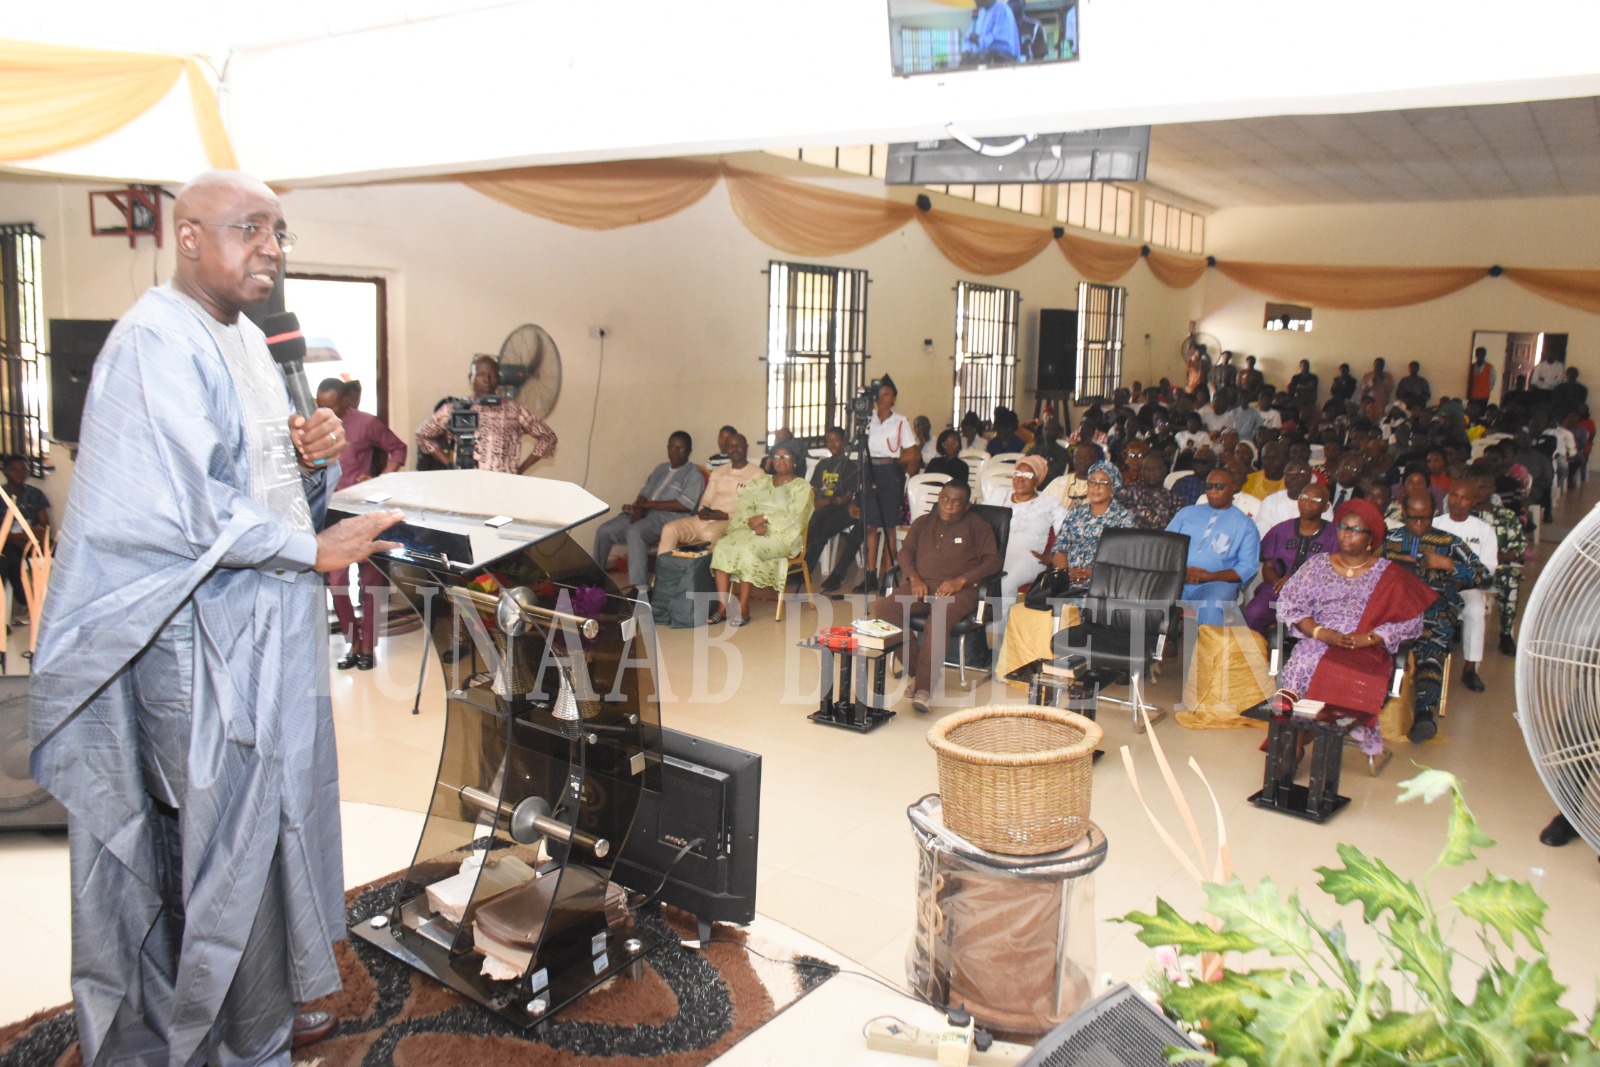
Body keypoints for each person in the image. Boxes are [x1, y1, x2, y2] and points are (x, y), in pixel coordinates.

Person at [29, 170, 405, 1066]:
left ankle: (266, 999)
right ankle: (227, 1032)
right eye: (250, 229)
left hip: (268, 628)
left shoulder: (246, 344)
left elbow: (267, 490)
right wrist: (316, 549)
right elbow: (178, 508)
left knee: (274, 821)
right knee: (220, 842)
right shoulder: (156, 341)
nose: (272, 248)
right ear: (188, 236)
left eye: (279, 232)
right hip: (201, 647)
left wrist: (313, 460)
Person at [1270, 500, 1436, 747]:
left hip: (1366, 648)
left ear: (1372, 538)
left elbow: (1410, 619)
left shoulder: (1388, 573)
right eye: (1343, 527)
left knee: (1347, 671)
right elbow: (1290, 604)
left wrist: (1369, 638)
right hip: (1320, 640)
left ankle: (1306, 733)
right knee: (1306, 659)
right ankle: (1297, 728)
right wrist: (1320, 632)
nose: (1347, 534)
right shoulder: (1317, 565)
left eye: (1356, 530)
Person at [871, 481, 1000, 713]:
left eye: (956, 501)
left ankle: (924, 689)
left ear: (967, 505)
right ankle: (918, 673)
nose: (949, 505)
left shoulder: (978, 527)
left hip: (960, 591)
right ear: (938, 498)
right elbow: (906, 552)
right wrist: (914, 578)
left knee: (939, 616)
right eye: (945, 499)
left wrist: (960, 581)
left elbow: (992, 561)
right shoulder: (923, 522)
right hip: (922, 585)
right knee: (884, 610)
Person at [1382, 493, 1491, 741]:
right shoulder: (1390, 540)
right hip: (1393, 608)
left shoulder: (1450, 543)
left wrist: (1450, 565)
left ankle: (1423, 711)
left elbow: (1485, 577)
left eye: (1425, 518)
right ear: (1404, 515)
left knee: (1431, 643)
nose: (1419, 524)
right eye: (1414, 518)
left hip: (1434, 608)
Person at [319, 377, 407, 670]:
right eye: (320, 406)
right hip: (331, 516)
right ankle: (352, 643)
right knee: (337, 582)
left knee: (370, 582)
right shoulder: (317, 426)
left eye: (330, 406)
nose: (325, 412)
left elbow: (398, 449)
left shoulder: (366, 423)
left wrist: (382, 477)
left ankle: (368, 646)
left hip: (364, 512)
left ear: (345, 401)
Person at [708, 442, 813, 626]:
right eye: (776, 457)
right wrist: (753, 521)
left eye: (785, 456)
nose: (780, 461)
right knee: (722, 546)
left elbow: (796, 516)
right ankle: (722, 607)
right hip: (752, 528)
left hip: (782, 535)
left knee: (748, 549)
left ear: (795, 460)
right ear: (771, 460)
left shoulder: (802, 487)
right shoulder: (761, 482)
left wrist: (765, 518)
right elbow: (743, 505)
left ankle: (743, 607)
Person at [592, 430, 704, 596]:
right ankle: (595, 578)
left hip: (669, 518)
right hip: (645, 512)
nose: (675, 452)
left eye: (681, 449)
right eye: (672, 447)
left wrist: (647, 505)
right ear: (667, 448)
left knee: (635, 531)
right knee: (605, 530)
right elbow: (644, 492)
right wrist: (638, 508)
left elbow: (684, 505)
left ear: (689, 451)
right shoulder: (661, 468)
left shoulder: (693, 474)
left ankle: (640, 589)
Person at [415, 355, 557, 473]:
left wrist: (520, 470)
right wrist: (450, 464)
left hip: (504, 489)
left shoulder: (515, 410)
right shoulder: (454, 409)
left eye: (492, 375)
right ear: (472, 377)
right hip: (465, 486)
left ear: (499, 379)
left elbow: (548, 438)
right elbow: (423, 435)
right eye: (481, 375)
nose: (487, 380)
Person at [1166, 467, 1261, 626]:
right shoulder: (1186, 513)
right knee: (1151, 594)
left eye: (1220, 486)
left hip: (1216, 584)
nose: (1213, 491)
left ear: (1233, 488)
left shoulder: (1245, 525)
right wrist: (1182, 572)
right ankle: (1158, 644)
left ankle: (1207, 649)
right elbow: (1166, 546)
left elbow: (1247, 567)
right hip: (1178, 577)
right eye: (1209, 486)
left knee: (1212, 605)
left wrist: (1209, 576)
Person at [982, 453, 1066, 628]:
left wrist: (1052, 556)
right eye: (1017, 474)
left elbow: (1067, 534)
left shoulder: (1049, 503)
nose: (1020, 480)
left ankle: (998, 639)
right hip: (996, 554)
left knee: (1004, 582)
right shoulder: (999, 496)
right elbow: (979, 521)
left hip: (1029, 558)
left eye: (1027, 476)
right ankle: (978, 637)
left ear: (1038, 480)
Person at [1242, 481, 1336, 633]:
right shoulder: (1281, 529)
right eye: (1304, 497)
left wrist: (1297, 584)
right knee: (1254, 612)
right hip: (1277, 589)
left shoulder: (1333, 535)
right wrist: (1283, 586)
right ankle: (1251, 653)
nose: (1307, 502)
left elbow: (1335, 573)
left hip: (1315, 595)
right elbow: (1269, 566)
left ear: (1325, 507)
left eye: (1316, 500)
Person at [859, 375, 919, 593]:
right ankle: (870, 575)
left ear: (894, 398)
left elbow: (911, 452)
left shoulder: (901, 421)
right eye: (879, 394)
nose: (881, 398)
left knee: (890, 526)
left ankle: (889, 577)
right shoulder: (867, 419)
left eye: (886, 394)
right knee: (871, 526)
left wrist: (892, 462)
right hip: (869, 470)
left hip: (890, 473)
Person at [657, 432, 762, 552]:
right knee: (670, 529)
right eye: (731, 446)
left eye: (738, 446)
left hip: (732, 522)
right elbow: (706, 500)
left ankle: (706, 570)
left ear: (746, 447)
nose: (734, 449)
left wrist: (726, 515)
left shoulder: (757, 474)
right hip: (706, 519)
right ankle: (665, 569)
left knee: (709, 534)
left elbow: (755, 510)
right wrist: (703, 510)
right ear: (726, 449)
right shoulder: (719, 472)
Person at [1050, 461, 1135, 583]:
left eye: (1103, 483)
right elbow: (1059, 549)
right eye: (1092, 481)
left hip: (1104, 582)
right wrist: (1067, 573)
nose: (1096, 487)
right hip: (1069, 580)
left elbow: (1124, 558)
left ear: (1113, 487)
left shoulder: (1124, 518)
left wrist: (1091, 573)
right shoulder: (1076, 513)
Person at [806, 427, 864, 594]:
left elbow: (847, 497)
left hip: (841, 508)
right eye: (828, 441)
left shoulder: (851, 466)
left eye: (835, 440)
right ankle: (802, 566)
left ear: (844, 441)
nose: (832, 444)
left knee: (820, 523)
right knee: (816, 520)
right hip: (821, 506)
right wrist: (812, 502)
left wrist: (828, 501)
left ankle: (805, 566)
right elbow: (814, 489)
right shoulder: (823, 464)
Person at [0, 454, 48, 625]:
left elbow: (45, 525)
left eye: (24, 469)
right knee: (7, 560)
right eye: (15, 469)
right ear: (5, 472)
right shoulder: (1, 496)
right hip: (8, 543)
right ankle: (18, 607)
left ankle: (28, 605)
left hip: (32, 543)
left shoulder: (35, 494)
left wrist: (39, 533)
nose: (21, 473)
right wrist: (20, 535)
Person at [1117, 452, 1180, 530]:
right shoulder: (1127, 492)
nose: (1151, 472)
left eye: (1156, 468)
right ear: (1141, 471)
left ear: (1164, 470)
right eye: (1147, 468)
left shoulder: (1174, 499)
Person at [961, 0, 1020, 65]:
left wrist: (979, 40)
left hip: (1001, 59)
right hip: (981, 58)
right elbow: (969, 37)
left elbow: (999, 39)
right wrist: (966, 50)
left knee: (983, 58)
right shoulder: (981, 13)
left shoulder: (1002, 9)